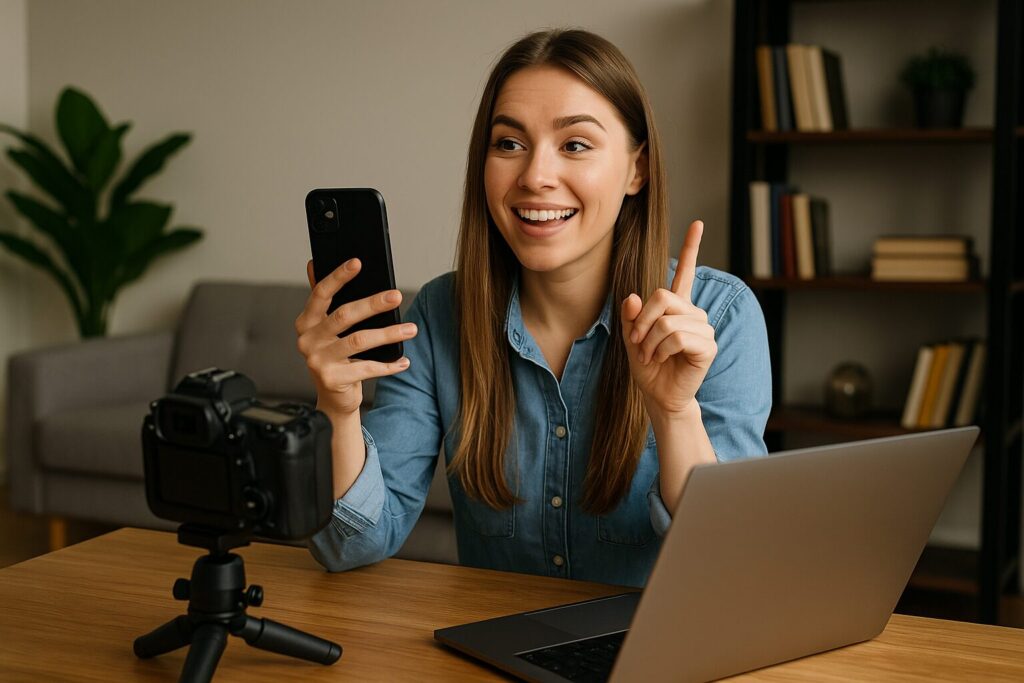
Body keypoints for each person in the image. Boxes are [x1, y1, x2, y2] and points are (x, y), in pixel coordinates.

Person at [295, 28, 771, 587]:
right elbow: (351, 546)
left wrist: (674, 414)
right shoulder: (439, 314)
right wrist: (338, 404)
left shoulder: (722, 316)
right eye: (509, 144)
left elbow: (728, 568)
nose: (535, 177)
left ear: (636, 170)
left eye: (575, 145)